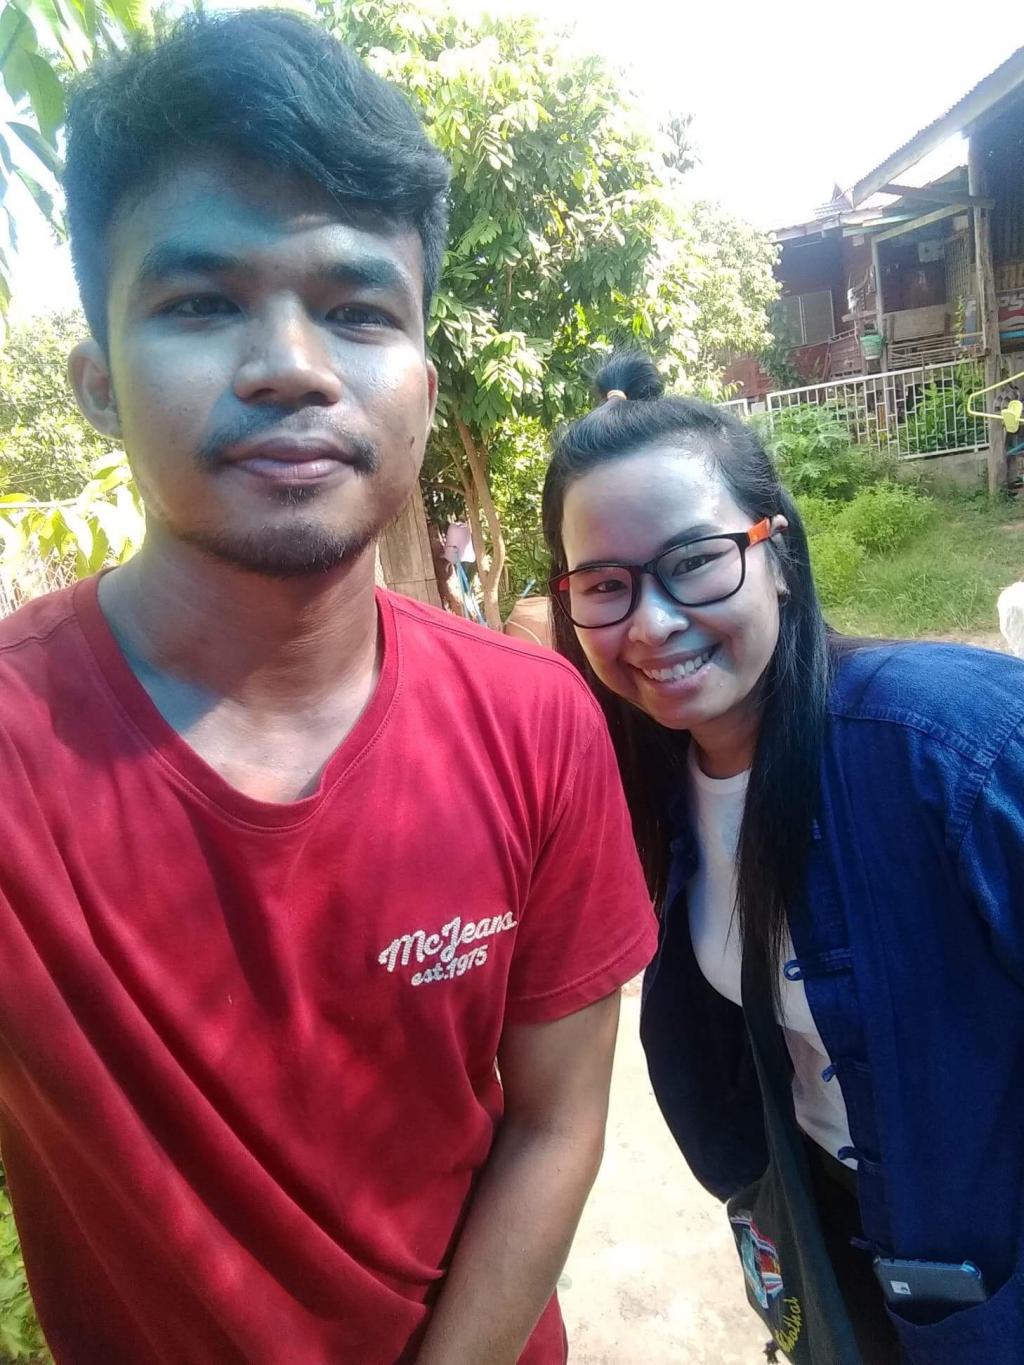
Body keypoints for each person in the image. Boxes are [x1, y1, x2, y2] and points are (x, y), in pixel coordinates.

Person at [0, 16, 657, 1363]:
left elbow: (555, 1120)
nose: (292, 364)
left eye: (359, 310)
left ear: (420, 384)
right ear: (98, 385)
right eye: (200, 303)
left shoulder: (536, 720)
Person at [540, 350, 1024, 1365]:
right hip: (837, 1234)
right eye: (606, 586)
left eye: (695, 561)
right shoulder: (647, 792)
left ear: (780, 554)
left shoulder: (957, 750)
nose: (652, 623)